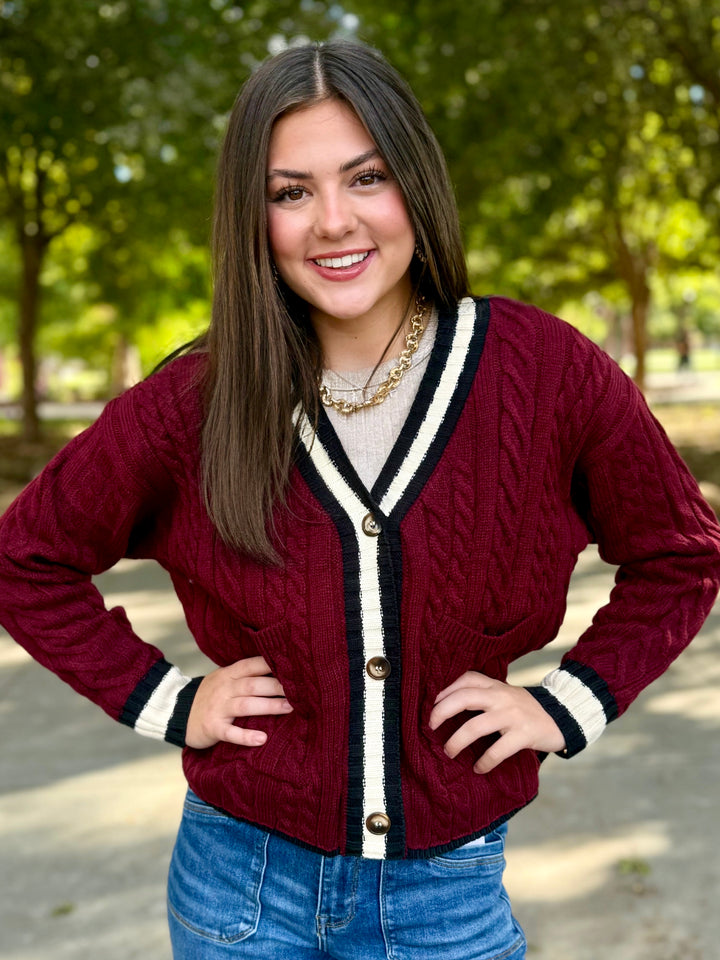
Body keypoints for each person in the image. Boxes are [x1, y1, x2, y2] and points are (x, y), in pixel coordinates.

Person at [1, 39, 719, 960]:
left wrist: (566, 705)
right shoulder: (197, 401)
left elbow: (683, 552)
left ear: (414, 183)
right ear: (252, 218)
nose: (332, 221)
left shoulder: (545, 372)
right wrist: (170, 701)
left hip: (447, 896)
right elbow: (26, 557)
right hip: (238, 888)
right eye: (290, 192)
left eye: (365, 178)